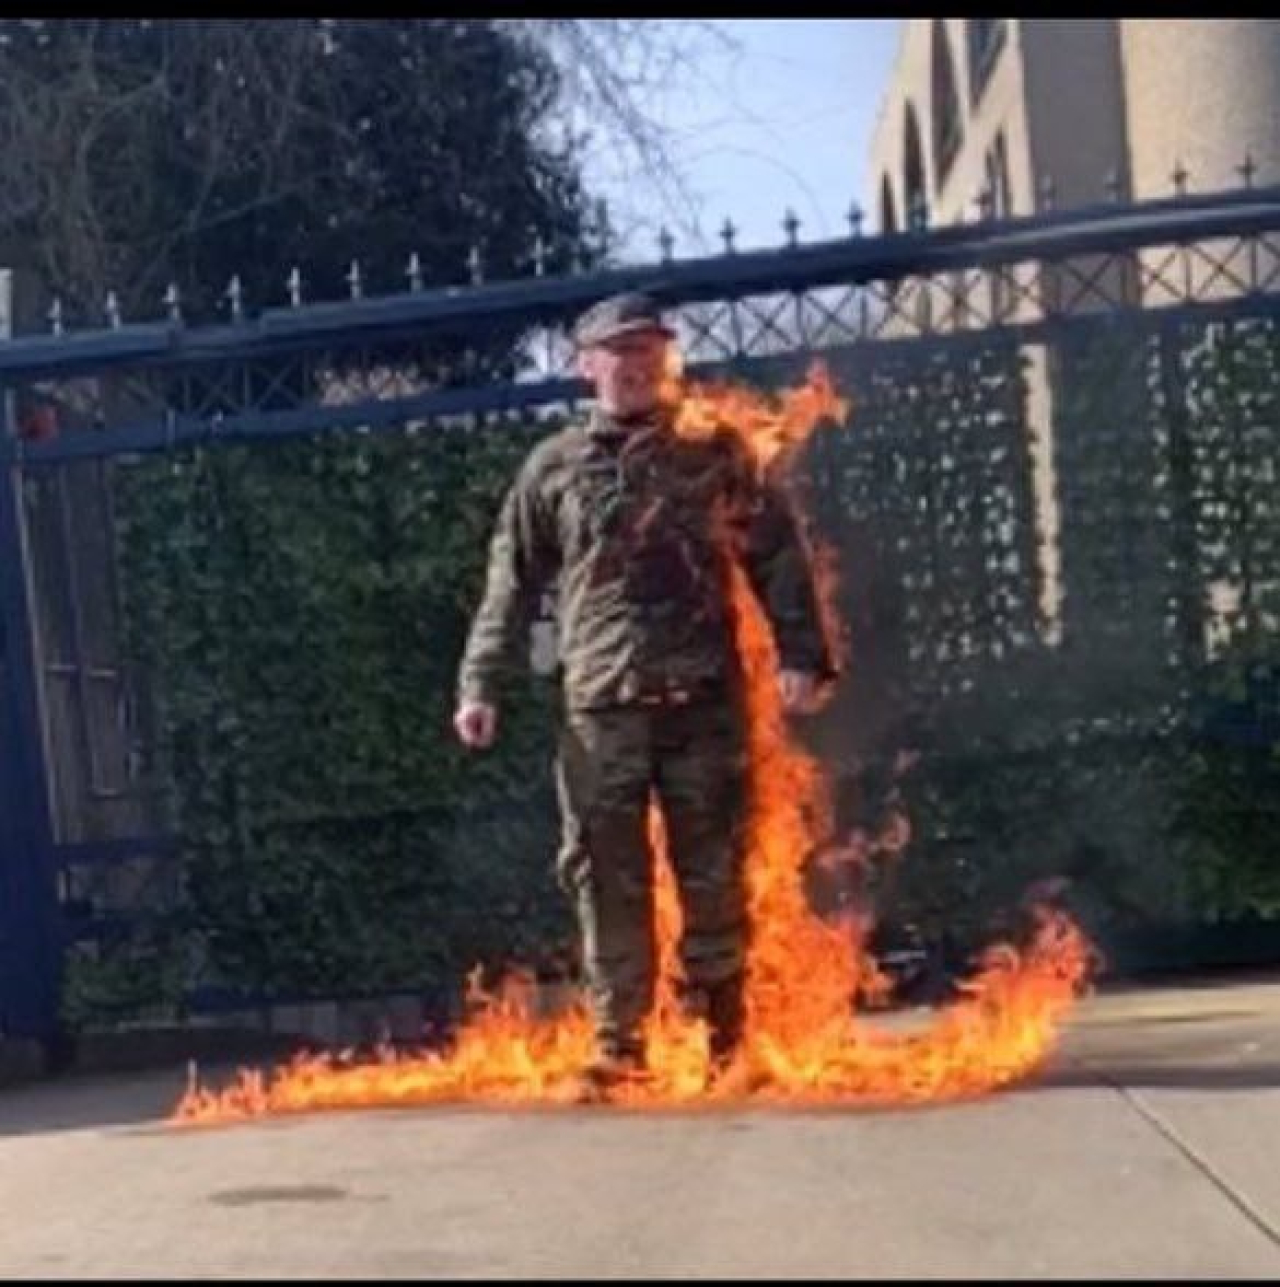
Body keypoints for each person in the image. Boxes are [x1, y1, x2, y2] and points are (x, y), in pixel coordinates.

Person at [453, 291, 836, 1096]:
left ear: (668, 359)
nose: (635, 364)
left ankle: (727, 1039)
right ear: (585, 365)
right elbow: (510, 583)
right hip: (602, 710)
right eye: (619, 351)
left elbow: (775, 553)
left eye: (648, 350)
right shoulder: (553, 467)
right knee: (605, 873)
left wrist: (802, 654)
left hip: (703, 701)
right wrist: (480, 683)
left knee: (714, 867)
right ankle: (620, 1045)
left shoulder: (714, 450)